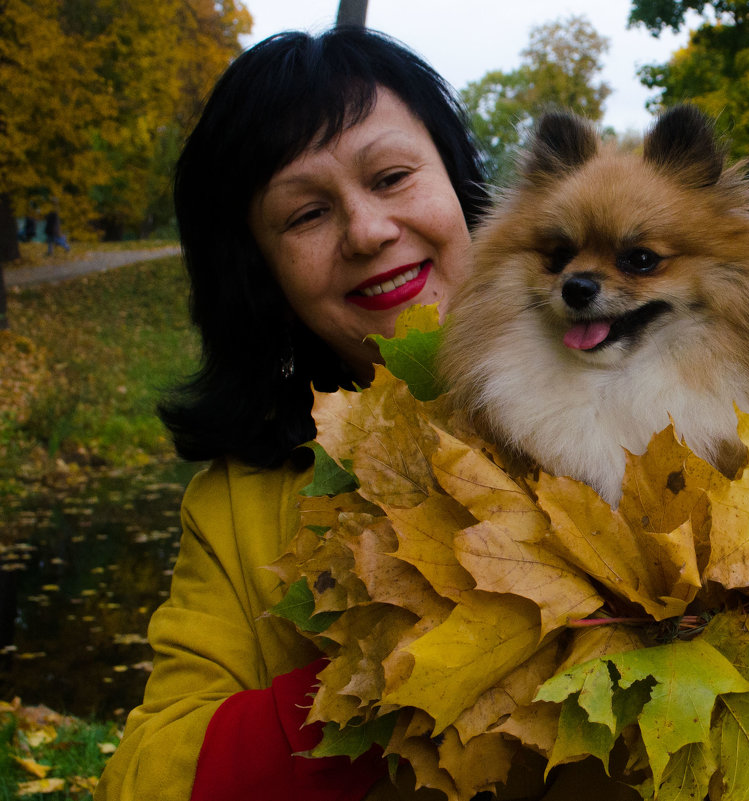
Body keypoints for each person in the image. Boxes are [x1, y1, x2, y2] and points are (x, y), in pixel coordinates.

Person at [94, 27, 485, 801]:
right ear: (262, 274)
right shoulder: (241, 503)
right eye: (306, 215)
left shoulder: (665, 380)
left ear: (459, 183)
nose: (369, 230)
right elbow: (144, 774)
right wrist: (389, 671)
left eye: (394, 176)